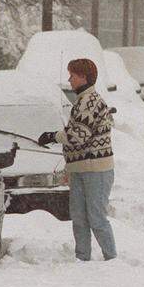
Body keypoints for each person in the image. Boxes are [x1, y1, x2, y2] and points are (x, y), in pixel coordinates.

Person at [37, 58, 116, 261]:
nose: (69, 79)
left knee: (97, 218)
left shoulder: (90, 102)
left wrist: (53, 136)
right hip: (80, 168)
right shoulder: (81, 101)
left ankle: (112, 259)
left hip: (96, 170)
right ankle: (82, 259)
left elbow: (78, 136)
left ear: (83, 77)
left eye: (72, 75)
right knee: (79, 219)